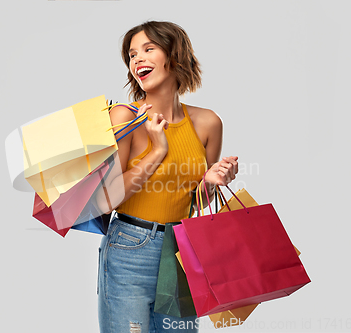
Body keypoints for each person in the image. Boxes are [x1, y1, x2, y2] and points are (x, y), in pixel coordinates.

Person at [96, 21, 239, 333]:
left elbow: (197, 201)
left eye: (149, 49)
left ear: (174, 58)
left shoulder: (207, 123)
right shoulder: (124, 118)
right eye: (132, 54)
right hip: (130, 248)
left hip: (182, 250)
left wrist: (212, 181)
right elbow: (106, 200)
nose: (137, 60)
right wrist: (156, 152)